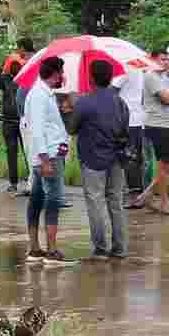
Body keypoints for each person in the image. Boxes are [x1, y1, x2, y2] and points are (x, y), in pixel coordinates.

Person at [68, 59, 129, 259]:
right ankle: (120, 247)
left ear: (91, 77)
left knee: (95, 202)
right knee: (115, 201)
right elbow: (125, 127)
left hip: (93, 158)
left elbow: (73, 128)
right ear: (111, 77)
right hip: (117, 157)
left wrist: (70, 108)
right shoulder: (120, 102)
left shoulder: (84, 102)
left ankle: (101, 248)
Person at [24, 56, 72, 265]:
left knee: (37, 198)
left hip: (48, 153)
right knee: (53, 200)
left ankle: (36, 249)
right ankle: (51, 250)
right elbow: (36, 129)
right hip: (48, 155)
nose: (63, 76)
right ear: (54, 73)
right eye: (61, 72)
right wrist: (45, 159)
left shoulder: (45, 94)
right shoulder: (38, 95)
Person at [133, 49, 169, 215]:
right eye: (162, 59)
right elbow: (167, 99)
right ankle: (163, 201)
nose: (165, 62)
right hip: (158, 125)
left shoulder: (163, 78)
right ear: (152, 60)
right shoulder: (150, 76)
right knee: (165, 164)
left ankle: (149, 193)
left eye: (167, 60)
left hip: (168, 124)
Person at [0, 60, 27, 193]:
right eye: (12, 66)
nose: (15, 68)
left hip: (23, 121)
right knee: (11, 152)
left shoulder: (25, 78)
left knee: (27, 151)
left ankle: (32, 180)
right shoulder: (5, 79)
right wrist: (1, 65)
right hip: (8, 121)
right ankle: (13, 182)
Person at [115, 63, 147, 200]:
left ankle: (134, 193)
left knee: (130, 156)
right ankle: (138, 192)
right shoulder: (140, 69)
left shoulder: (125, 69)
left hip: (128, 119)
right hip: (139, 119)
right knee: (137, 156)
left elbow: (112, 89)